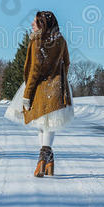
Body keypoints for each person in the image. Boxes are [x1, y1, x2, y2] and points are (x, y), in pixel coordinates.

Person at [4, 10, 74, 177]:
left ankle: (43, 159)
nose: (32, 25)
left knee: (43, 124)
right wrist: (60, 79)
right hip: (58, 87)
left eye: (35, 22)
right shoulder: (61, 40)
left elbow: (34, 70)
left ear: (43, 24)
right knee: (49, 124)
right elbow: (67, 63)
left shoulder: (38, 41)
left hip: (40, 89)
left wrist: (27, 94)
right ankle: (48, 161)